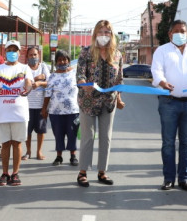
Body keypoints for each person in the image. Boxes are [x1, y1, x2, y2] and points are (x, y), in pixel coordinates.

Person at [151, 20, 187, 191]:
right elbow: (156, 71)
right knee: (168, 142)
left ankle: (184, 178)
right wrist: (162, 82)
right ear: (170, 34)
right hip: (169, 102)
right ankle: (168, 178)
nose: (179, 34)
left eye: (182, 31)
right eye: (176, 31)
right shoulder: (162, 51)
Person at [76, 20, 125, 187]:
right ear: (95, 34)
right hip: (88, 101)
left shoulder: (117, 54)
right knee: (88, 136)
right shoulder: (86, 52)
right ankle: (82, 172)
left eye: (107, 32)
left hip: (109, 101)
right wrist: (84, 83)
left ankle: (102, 172)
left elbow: (119, 79)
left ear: (112, 35)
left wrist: (118, 98)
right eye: (101, 32)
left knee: (106, 137)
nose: (104, 35)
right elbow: (80, 74)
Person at [0, 40, 33, 186]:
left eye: (15, 50)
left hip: (19, 112)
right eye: (9, 50)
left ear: (19, 53)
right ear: (5, 52)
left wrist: (27, 87)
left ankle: (15, 173)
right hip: (2, 112)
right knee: (5, 144)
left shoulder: (25, 68)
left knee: (17, 143)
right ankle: (5, 173)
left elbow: (28, 82)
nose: (12, 52)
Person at [42, 49, 80, 169]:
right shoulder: (52, 76)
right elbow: (48, 94)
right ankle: (59, 156)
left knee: (72, 133)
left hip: (73, 111)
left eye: (65, 59)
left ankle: (73, 155)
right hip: (55, 112)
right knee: (58, 134)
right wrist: (44, 109)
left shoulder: (75, 74)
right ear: (56, 62)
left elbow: (84, 90)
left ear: (68, 60)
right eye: (59, 60)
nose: (62, 62)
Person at [24, 45, 50, 161]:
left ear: (38, 56)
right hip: (26, 106)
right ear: (27, 56)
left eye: (35, 54)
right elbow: (22, 83)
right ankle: (28, 151)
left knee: (41, 130)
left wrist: (41, 83)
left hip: (40, 106)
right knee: (27, 131)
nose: (33, 57)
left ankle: (39, 151)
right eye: (30, 55)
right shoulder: (24, 68)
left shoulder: (43, 67)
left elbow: (50, 82)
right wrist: (37, 79)